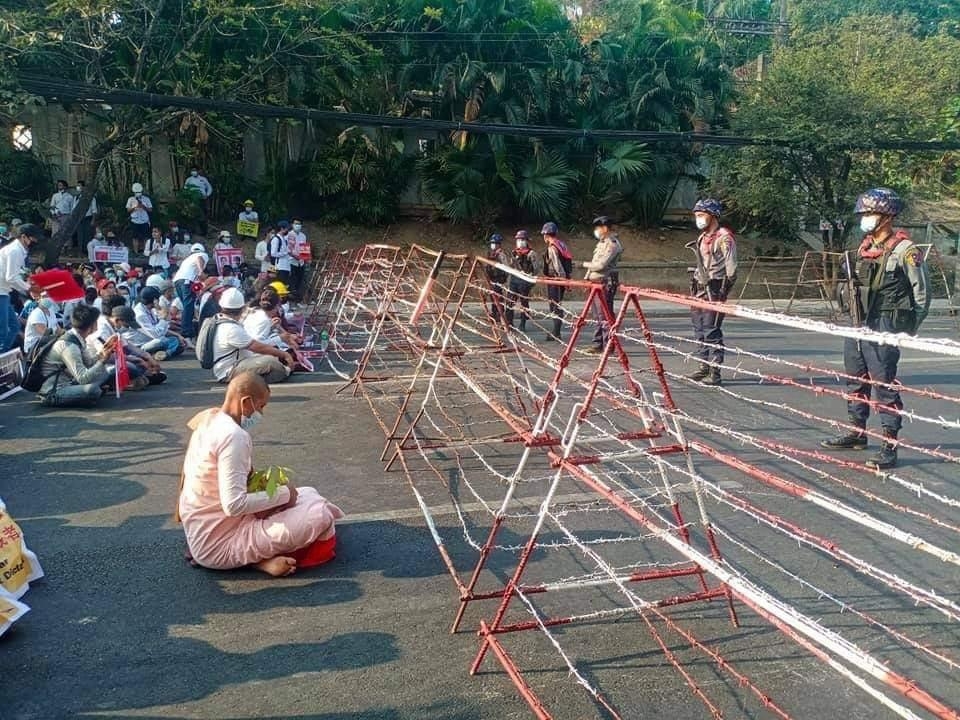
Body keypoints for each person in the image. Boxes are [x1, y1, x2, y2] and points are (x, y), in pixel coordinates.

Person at [177, 372, 344, 575]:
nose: (261, 414)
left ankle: (259, 560)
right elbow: (234, 505)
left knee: (308, 492)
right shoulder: (233, 436)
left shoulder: (210, 418)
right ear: (246, 403)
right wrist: (284, 494)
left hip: (204, 531)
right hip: (218, 545)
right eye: (261, 406)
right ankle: (258, 561)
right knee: (319, 516)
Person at [821, 188, 931, 470]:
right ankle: (857, 432)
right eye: (864, 214)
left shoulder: (906, 250)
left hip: (885, 323)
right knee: (855, 377)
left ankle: (889, 444)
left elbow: (922, 294)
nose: (866, 219)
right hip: (859, 321)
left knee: (883, 383)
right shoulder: (865, 245)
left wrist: (907, 329)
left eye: (870, 213)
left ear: (887, 216)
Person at [686, 199, 737, 386]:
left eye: (701, 215)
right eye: (696, 215)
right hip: (699, 287)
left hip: (714, 288)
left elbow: (732, 271)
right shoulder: (701, 237)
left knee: (711, 330)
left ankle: (715, 372)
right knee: (699, 329)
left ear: (713, 215)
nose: (698, 219)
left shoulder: (724, 238)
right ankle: (703, 366)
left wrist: (723, 291)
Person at [36, 305, 117, 407]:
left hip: (70, 382)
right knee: (93, 390)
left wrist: (102, 354)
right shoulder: (69, 346)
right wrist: (102, 361)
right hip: (55, 390)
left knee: (105, 373)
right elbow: (82, 378)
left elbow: (88, 362)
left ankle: (85, 395)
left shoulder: (76, 337)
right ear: (91, 325)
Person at [209, 287, 294, 384]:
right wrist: (283, 352)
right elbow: (258, 347)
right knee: (272, 363)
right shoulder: (231, 328)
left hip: (228, 365)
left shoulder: (220, 320)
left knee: (270, 358)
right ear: (241, 308)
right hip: (229, 370)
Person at [582, 216, 623, 354]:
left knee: (605, 315)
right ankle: (598, 343)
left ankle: (608, 345)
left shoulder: (612, 244)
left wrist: (584, 264)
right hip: (595, 283)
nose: (596, 230)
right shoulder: (602, 243)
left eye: (598, 227)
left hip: (604, 282)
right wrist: (586, 278)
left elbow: (600, 265)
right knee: (597, 316)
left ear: (605, 228)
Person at [0, 224, 41, 351]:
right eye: (33, 239)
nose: (35, 242)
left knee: (14, 326)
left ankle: (3, 355)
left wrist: (29, 281)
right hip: (1, 292)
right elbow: (11, 277)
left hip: (4, 291)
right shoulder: (15, 251)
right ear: (23, 237)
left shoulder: (20, 251)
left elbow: (18, 275)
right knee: (3, 331)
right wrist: (29, 288)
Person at [541, 221, 573, 342]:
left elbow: (558, 266)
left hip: (556, 280)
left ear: (546, 235)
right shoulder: (561, 244)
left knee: (555, 306)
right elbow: (568, 262)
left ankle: (556, 332)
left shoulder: (552, 248)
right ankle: (556, 331)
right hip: (561, 279)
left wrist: (563, 280)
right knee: (557, 305)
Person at [504, 230, 541, 332]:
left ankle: (523, 323)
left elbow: (536, 268)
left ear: (527, 241)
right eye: (518, 240)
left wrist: (530, 278)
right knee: (509, 302)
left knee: (524, 303)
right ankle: (509, 324)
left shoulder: (531, 254)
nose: (520, 242)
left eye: (522, 240)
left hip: (525, 281)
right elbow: (511, 265)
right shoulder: (514, 252)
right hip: (514, 280)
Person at [172, 242, 209, 338]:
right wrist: (201, 270)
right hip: (187, 280)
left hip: (177, 281)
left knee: (186, 305)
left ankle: (187, 328)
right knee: (189, 305)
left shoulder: (187, 259)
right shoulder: (202, 255)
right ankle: (186, 331)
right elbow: (199, 259)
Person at [484, 234, 510, 324]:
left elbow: (506, 268)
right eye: (492, 243)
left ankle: (500, 315)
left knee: (498, 298)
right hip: (492, 279)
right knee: (492, 297)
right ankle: (494, 314)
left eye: (495, 243)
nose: (493, 245)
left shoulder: (501, 255)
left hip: (499, 279)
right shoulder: (491, 253)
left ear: (499, 244)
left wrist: (504, 279)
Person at [184, 168, 213, 235]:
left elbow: (209, 187)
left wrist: (207, 195)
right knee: (193, 215)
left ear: (198, 171)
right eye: (192, 170)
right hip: (192, 200)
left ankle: (204, 232)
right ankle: (194, 231)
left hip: (202, 199)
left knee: (202, 216)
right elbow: (185, 189)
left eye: (195, 170)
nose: (194, 172)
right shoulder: (189, 180)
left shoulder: (203, 179)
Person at [125, 183, 153, 254]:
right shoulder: (130, 199)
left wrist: (144, 207)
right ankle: (136, 252)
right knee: (135, 237)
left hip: (144, 221)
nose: (138, 194)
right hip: (135, 221)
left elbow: (150, 210)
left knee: (145, 237)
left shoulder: (146, 199)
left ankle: (145, 252)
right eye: (136, 192)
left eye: (139, 192)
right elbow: (128, 210)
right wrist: (135, 207)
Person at [75, 180, 99, 251]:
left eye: (79, 186)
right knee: (80, 235)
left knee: (87, 235)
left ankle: (87, 250)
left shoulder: (91, 198)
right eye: (77, 186)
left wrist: (93, 220)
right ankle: (80, 250)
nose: (78, 187)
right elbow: (73, 209)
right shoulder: (77, 197)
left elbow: (94, 210)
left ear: (84, 187)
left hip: (87, 218)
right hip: (79, 218)